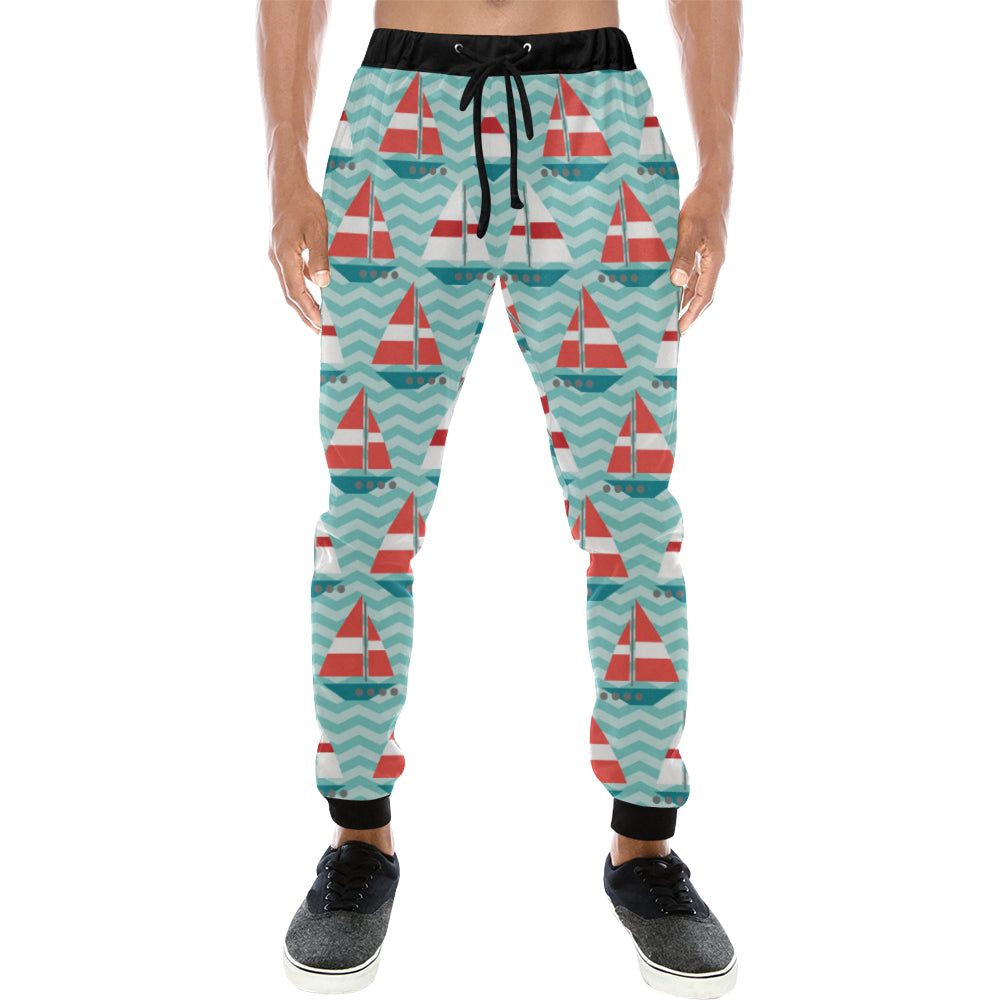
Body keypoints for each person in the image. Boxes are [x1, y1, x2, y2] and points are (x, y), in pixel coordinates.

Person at [257, 1, 742, 994]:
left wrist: (718, 173)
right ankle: (359, 837)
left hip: (596, 121)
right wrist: (284, 168)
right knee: (368, 512)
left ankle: (644, 845)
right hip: (399, 122)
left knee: (631, 513)